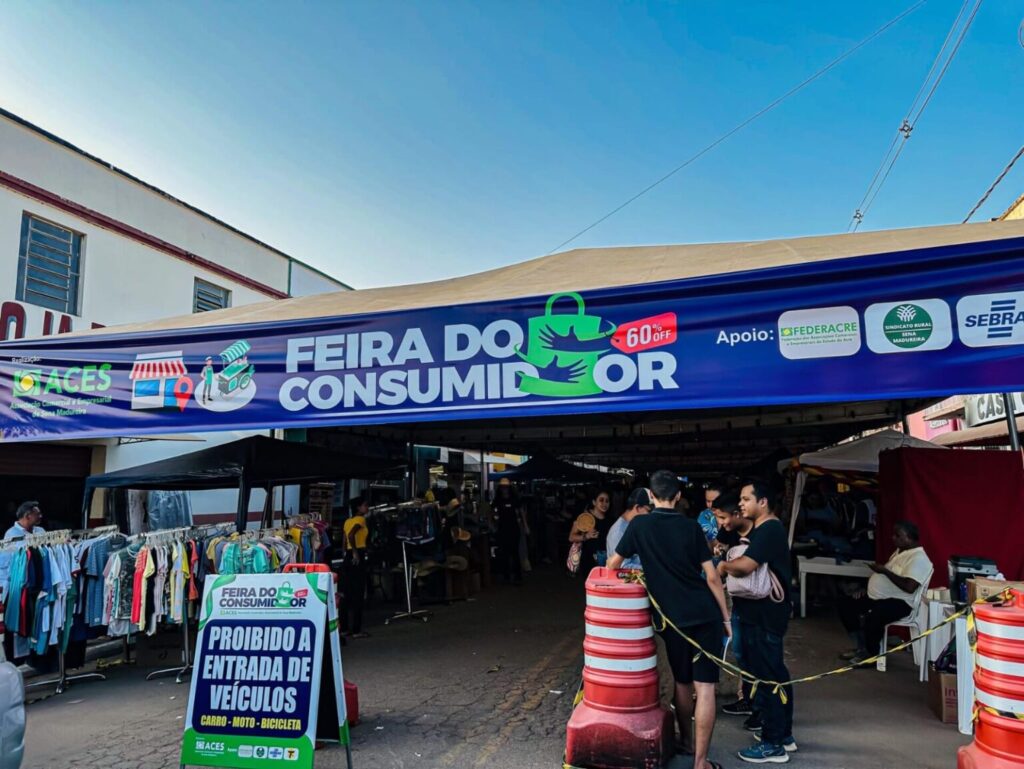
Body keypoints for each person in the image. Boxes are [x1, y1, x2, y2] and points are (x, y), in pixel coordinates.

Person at [608, 470, 731, 769]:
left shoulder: (639, 526)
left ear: (651, 496)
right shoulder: (691, 527)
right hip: (704, 614)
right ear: (678, 496)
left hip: (672, 619)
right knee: (705, 687)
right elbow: (712, 577)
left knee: (682, 682)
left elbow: (613, 565)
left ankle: (687, 741)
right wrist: (726, 619)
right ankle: (700, 762)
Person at [719, 479, 796, 763]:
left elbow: (745, 567)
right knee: (772, 673)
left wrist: (723, 566)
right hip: (757, 614)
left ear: (762, 502)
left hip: (765, 616)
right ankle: (782, 735)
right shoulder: (762, 529)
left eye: (746, 499)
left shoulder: (769, 529)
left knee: (768, 677)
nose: (741, 504)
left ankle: (773, 743)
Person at [837, 520, 933, 664]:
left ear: (909, 538)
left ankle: (871, 655)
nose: (893, 538)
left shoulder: (918, 558)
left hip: (902, 602)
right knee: (846, 604)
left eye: (898, 535)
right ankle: (861, 647)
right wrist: (867, 589)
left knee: (875, 614)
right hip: (883, 597)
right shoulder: (901, 552)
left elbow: (909, 587)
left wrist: (884, 571)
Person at [712, 491, 754, 718]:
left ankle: (754, 702)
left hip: (756, 601)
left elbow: (747, 566)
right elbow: (718, 544)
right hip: (735, 595)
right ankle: (747, 698)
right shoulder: (728, 530)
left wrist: (724, 567)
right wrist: (719, 550)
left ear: (737, 513)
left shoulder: (761, 532)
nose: (721, 523)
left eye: (722, 517)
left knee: (755, 652)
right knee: (739, 649)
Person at [341, 497, 370, 638]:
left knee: (346, 593)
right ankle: (357, 629)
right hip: (357, 553)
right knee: (358, 593)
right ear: (358, 507)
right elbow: (351, 535)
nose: (367, 508)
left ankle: (344, 627)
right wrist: (355, 552)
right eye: (365, 505)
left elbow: (344, 539)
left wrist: (346, 552)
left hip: (347, 557)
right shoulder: (360, 520)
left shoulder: (347, 521)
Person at [605, 488, 653, 570]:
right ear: (637, 508)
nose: (650, 515)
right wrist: (652, 568)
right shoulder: (618, 531)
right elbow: (624, 566)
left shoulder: (634, 525)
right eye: (649, 511)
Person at [493, 479, 527, 584]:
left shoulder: (514, 499)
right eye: (503, 487)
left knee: (514, 552)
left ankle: (517, 576)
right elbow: (491, 511)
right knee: (504, 552)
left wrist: (525, 526)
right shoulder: (498, 499)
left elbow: (521, 512)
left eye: (506, 487)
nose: (504, 489)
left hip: (513, 528)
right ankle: (506, 575)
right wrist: (492, 524)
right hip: (502, 529)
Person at [569, 488, 613, 571]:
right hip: (588, 560)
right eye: (601, 500)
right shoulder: (585, 517)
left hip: (606, 560)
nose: (604, 503)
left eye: (607, 501)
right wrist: (586, 536)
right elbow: (571, 537)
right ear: (594, 502)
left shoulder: (611, 520)